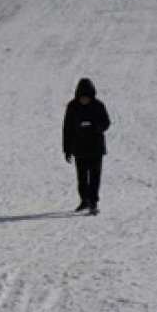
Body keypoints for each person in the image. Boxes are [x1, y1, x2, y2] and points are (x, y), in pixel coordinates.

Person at [63, 78, 110, 215]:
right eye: (82, 97)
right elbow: (67, 129)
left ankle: (93, 202)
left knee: (95, 176)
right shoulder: (72, 107)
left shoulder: (98, 105)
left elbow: (106, 123)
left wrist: (95, 127)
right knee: (82, 177)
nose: (84, 100)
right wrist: (67, 149)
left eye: (87, 97)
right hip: (79, 148)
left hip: (96, 148)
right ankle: (84, 200)